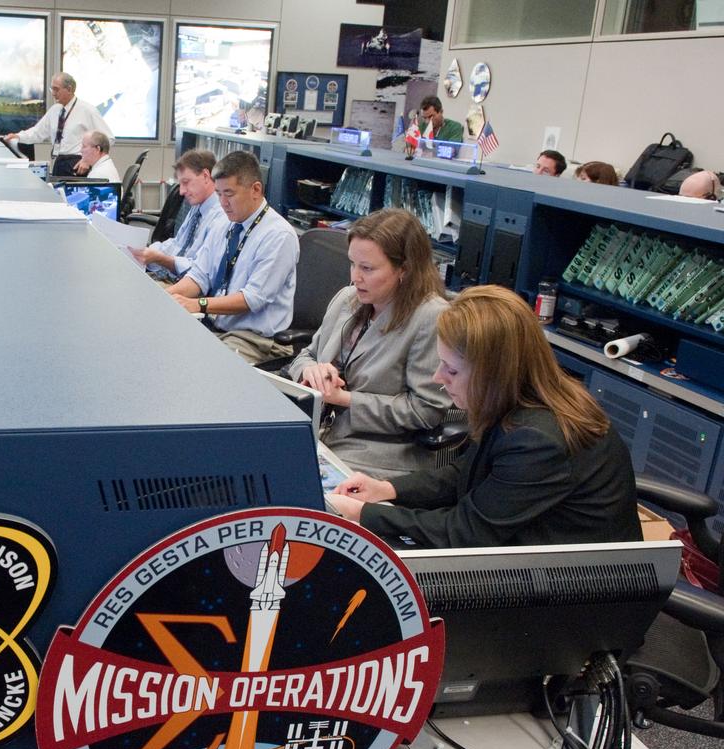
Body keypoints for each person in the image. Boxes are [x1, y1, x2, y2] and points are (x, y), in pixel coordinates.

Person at [328, 285, 641, 548]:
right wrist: (389, 489)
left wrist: (363, 514)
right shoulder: (519, 400)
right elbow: (468, 472)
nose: (438, 377)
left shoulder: (536, 441)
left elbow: (466, 533)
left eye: (451, 369)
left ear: (494, 375)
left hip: (579, 596)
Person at [288, 208, 450, 478]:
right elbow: (305, 354)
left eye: (367, 268)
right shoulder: (347, 298)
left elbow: (425, 411)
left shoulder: (430, 317)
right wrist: (310, 372)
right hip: (321, 431)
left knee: (293, 483)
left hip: (377, 451)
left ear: (404, 270)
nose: (355, 277)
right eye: (353, 264)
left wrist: (345, 399)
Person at [166, 151, 297, 365]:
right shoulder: (224, 224)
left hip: (255, 340)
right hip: (215, 325)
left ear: (256, 190)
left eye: (229, 193)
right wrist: (166, 296)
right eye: (218, 194)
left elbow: (252, 299)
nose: (223, 202)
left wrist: (198, 304)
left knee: (201, 367)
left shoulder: (279, 235)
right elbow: (199, 276)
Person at [128, 149, 226, 284]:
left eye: (186, 182)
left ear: (205, 176)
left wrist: (159, 258)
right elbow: (177, 244)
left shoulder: (221, 217)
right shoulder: (197, 207)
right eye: (180, 184)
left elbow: (201, 271)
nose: (181, 191)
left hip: (189, 288)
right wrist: (143, 252)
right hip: (171, 277)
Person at [4, 73, 113, 177]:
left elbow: (108, 138)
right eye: (52, 89)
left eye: (56, 89)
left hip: (77, 165)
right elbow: (37, 132)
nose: (53, 93)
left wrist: (87, 161)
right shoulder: (55, 110)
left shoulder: (87, 110)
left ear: (69, 89)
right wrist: (18, 136)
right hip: (59, 161)